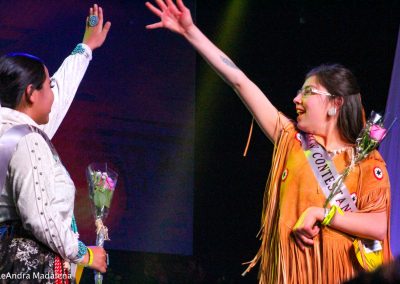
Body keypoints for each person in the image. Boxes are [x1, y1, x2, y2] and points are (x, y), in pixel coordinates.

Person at [145, 1, 392, 283]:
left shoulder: (366, 162)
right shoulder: (291, 141)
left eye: (308, 92)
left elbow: (378, 224)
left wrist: (322, 213)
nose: (296, 99)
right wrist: (191, 32)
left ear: (335, 104)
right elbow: (240, 81)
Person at [0, 4, 111, 283]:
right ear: (30, 93)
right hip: (25, 270)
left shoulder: (12, 129)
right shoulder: (25, 141)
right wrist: (86, 255)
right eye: (47, 86)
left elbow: (59, 97)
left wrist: (85, 48)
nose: (53, 91)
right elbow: (41, 220)